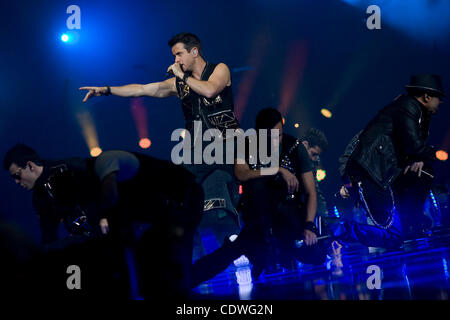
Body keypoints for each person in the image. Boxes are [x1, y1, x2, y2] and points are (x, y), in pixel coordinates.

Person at [79, 32, 241, 256]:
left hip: (225, 145)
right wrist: (107, 90)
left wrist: (182, 78)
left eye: (179, 54)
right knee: (191, 199)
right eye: (174, 56)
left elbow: (210, 89)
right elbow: (142, 89)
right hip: (198, 152)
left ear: (194, 52)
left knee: (175, 184)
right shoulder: (179, 84)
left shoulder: (218, 69)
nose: (176, 60)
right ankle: (198, 252)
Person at [3, 144, 203, 299]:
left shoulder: (92, 168)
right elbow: (51, 236)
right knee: (166, 277)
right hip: (156, 213)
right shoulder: (44, 196)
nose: (16, 182)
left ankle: (231, 250)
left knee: (175, 276)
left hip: (177, 201)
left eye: (17, 176)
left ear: (29, 165)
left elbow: (109, 198)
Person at [190, 108, 326, 286]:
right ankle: (180, 282)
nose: (277, 141)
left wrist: (309, 226)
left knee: (317, 255)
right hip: (259, 220)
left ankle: (275, 253)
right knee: (230, 252)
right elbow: (241, 174)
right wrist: (278, 170)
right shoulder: (247, 145)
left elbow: (311, 192)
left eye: (279, 135)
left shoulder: (294, 146)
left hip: (288, 217)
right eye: (271, 137)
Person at [336, 74, 445, 248]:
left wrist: (417, 158)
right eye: (439, 98)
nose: (441, 102)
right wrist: (347, 181)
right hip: (370, 177)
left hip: (384, 177)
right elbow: (413, 146)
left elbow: (411, 148)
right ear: (427, 96)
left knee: (423, 173)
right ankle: (341, 229)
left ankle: (410, 222)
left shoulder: (414, 115)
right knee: (394, 237)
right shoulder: (408, 107)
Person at [301, 128, 329, 217]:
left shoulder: (314, 162)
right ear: (304, 144)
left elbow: (315, 191)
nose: (314, 159)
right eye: (313, 154)